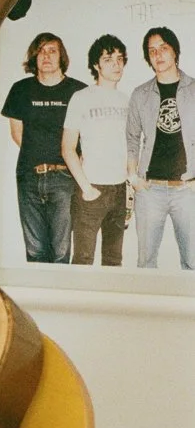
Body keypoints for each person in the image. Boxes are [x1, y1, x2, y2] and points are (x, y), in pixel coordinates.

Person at [1, 32, 86, 263]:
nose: (46, 56)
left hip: (65, 179)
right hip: (29, 176)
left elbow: (88, 137)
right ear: (34, 57)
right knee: (35, 250)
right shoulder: (20, 89)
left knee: (61, 250)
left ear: (62, 57)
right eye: (40, 51)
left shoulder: (79, 91)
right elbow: (17, 134)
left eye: (52, 51)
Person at [125, 26, 195, 269]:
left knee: (193, 262)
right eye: (152, 51)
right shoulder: (140, 94)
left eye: (163, 48)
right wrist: (133, 177)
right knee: (145, 263)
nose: (158, 55)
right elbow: (132, 139)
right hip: (149, 189)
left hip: (187, 190)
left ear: (175, 51)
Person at [60, 35, 130, 266]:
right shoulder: (81, 98)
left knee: (113, 260)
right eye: (109, 59)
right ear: (95, 65)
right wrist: (86, 187)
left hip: (119, 190)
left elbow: (130, 147)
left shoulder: (127, 101)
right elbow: (67, 148)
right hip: (91, 190)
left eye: (120, 58)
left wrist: (130, 189)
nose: (116, 64)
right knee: (83, 259)